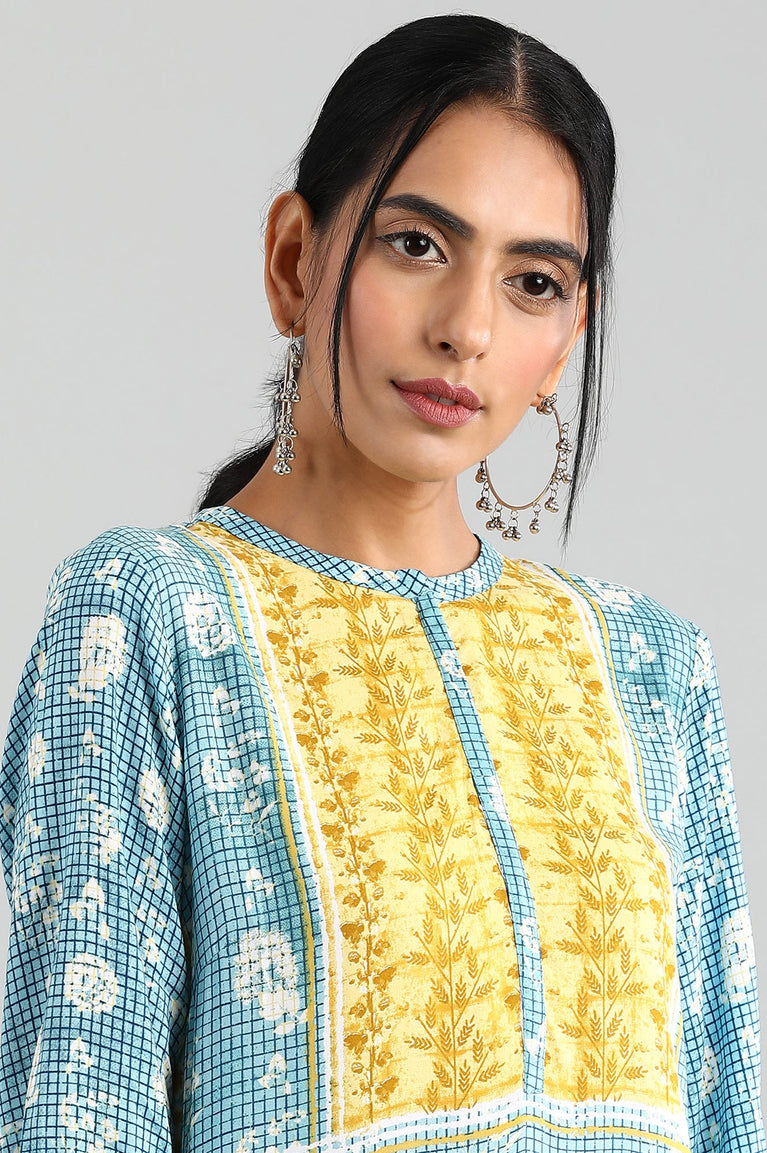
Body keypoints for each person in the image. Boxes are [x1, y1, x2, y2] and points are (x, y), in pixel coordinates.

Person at [0, 12, 763, 1152]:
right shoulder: (149, 614)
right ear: (294, 261)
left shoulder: (651, 667)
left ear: (565, 340)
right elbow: (75, 1112)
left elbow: (725, 1106)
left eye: (533, 281)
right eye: (417, 244)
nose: (466, 328)